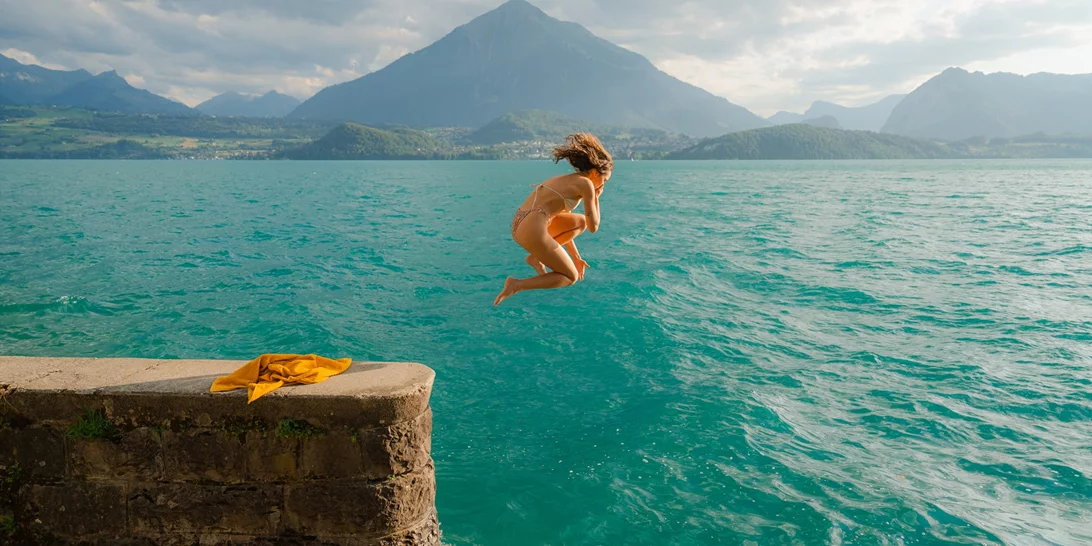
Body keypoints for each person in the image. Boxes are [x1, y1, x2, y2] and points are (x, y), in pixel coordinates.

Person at [494, 133, 613, 306]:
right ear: (595, 172)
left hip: (521, 224)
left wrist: (576, 257)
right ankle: (516, 285)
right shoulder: (586, 185)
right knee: (569, 276)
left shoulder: (567, 180)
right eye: (604, 180)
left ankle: (536, 258)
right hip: (533, 229)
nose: (603, 185)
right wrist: (596, 197)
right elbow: (594, 226)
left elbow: (570, 226)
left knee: (579, 222)